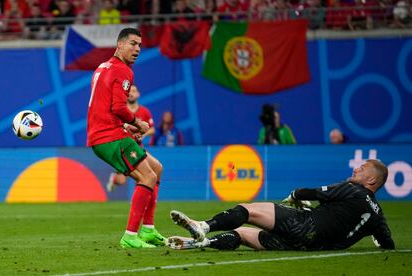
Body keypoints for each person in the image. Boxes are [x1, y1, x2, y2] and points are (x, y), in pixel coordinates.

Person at [168, 159, 395, 251]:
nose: (356, 169)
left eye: (362, 169)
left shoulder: (353, 189)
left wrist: (295, 194)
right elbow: (387, 244)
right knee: (241, 234)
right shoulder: (377, 215)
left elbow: (314, 192)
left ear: (371, 180)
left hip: (306, 226)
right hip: (310, 247)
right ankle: (199, 243)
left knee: (248, 210)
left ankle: (204, 227)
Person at [87, 27, 166, 249]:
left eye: (140, 45)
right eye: (133, 43)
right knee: (148, 178)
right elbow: (119, 106)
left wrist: (124, 126)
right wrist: (137, 123)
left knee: (156, 169)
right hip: (108, 137)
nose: (137, 49)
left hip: (107, 132)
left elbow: (102, 107)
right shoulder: (123, 70)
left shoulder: (102, 67)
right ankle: (130, 236)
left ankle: (148, 229)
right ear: (119, 44)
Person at [106, 84, 156, 192]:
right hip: (123, 148)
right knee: (123, 180)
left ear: (138, 94)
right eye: (129, 91)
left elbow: (152, 129)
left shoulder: (145, 111)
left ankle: (139, 198)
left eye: (134, 91)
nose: (131, 93)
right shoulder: (121, 111)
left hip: (138, 147)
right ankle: (115, 179)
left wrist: (144, 135)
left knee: (145, 176)